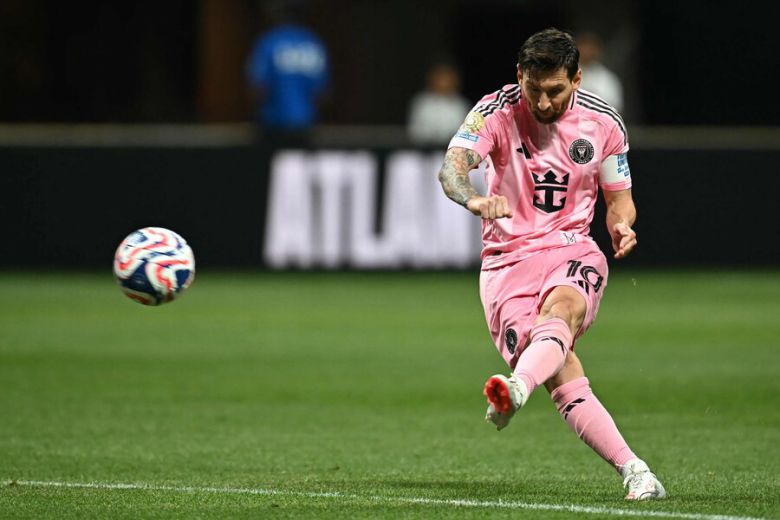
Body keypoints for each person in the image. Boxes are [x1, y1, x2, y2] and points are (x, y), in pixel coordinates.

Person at [437, 28, 665, 500]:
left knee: (562, 310)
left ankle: (516, 389)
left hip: (570, 247)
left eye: (555, 90)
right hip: (506, 263)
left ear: (577, 79)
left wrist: (621, 225)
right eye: (533, 89)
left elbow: (619, 200)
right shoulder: (494, 111)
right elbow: (452, 168)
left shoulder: (604, 123)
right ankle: (637, 471)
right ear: (519, 75)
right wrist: (474, 200)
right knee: (560, 368)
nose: (543, 102)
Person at [245, 2, 329, 146]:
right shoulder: (314, 43)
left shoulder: (269, 42)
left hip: (272, 126)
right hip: (306, 126)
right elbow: (322, 93)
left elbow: (256, 88)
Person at [407, 61, 471, 146]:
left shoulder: (462, 104)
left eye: (447, 78)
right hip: (424, 149)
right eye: (440, 78)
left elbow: (467, 133)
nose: (444, 82)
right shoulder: (421, 102)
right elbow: (415, 131)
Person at [576, 31, 624, 113]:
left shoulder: (607, 78)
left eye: (591, 47)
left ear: (598, 51)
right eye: (584, 45)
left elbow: (615, 107)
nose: (587, 51)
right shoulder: (566, 73)